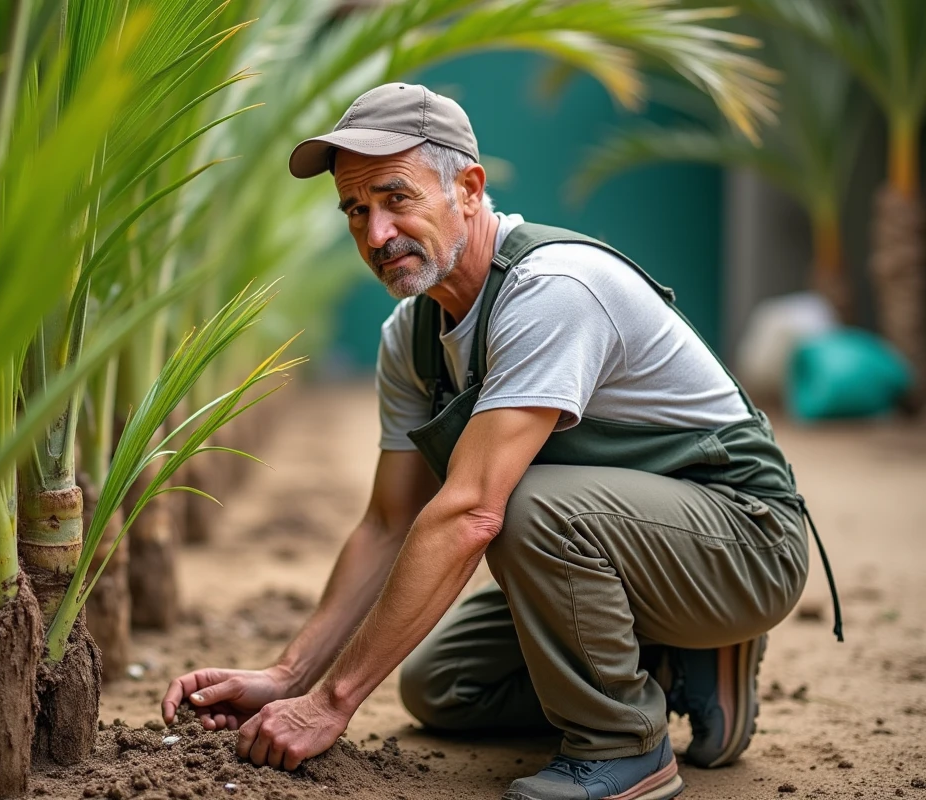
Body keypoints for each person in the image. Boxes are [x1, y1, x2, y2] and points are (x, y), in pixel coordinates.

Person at [162, 83, 841, 800]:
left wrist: (331, 705)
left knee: (512, 505)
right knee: (444, 684)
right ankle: (683, 662)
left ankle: (625, 749)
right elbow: (389, 523)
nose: (375, 233)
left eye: (397, 198)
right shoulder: (413, 338)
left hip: (747, 542)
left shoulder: (553, 290)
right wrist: (289, 677)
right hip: (647, 545)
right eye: (356, 210)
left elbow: (470, 515)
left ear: (469, 188)